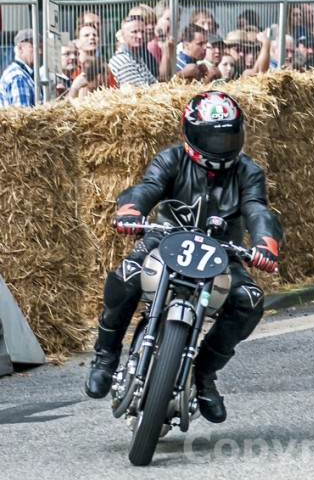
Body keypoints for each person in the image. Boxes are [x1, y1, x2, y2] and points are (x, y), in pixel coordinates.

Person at [84, 91, 283, 424]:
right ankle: (105, 358)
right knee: (128, 274)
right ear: (190, 134)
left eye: (229, 136)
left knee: (249, 300)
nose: (221, 144)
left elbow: (256, 208)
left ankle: (204, 374)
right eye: (212, 137)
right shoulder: (171, 159)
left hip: (222, 252)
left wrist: (265, 243)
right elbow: (149, 187)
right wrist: (132, 209)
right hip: (165, 238)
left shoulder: (249, 172)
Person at [0, 29, 37, 107]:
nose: (40, 52)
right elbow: (22, 115)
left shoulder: (23, 73)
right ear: (20, 48)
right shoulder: (18, 76)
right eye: (35, 47)